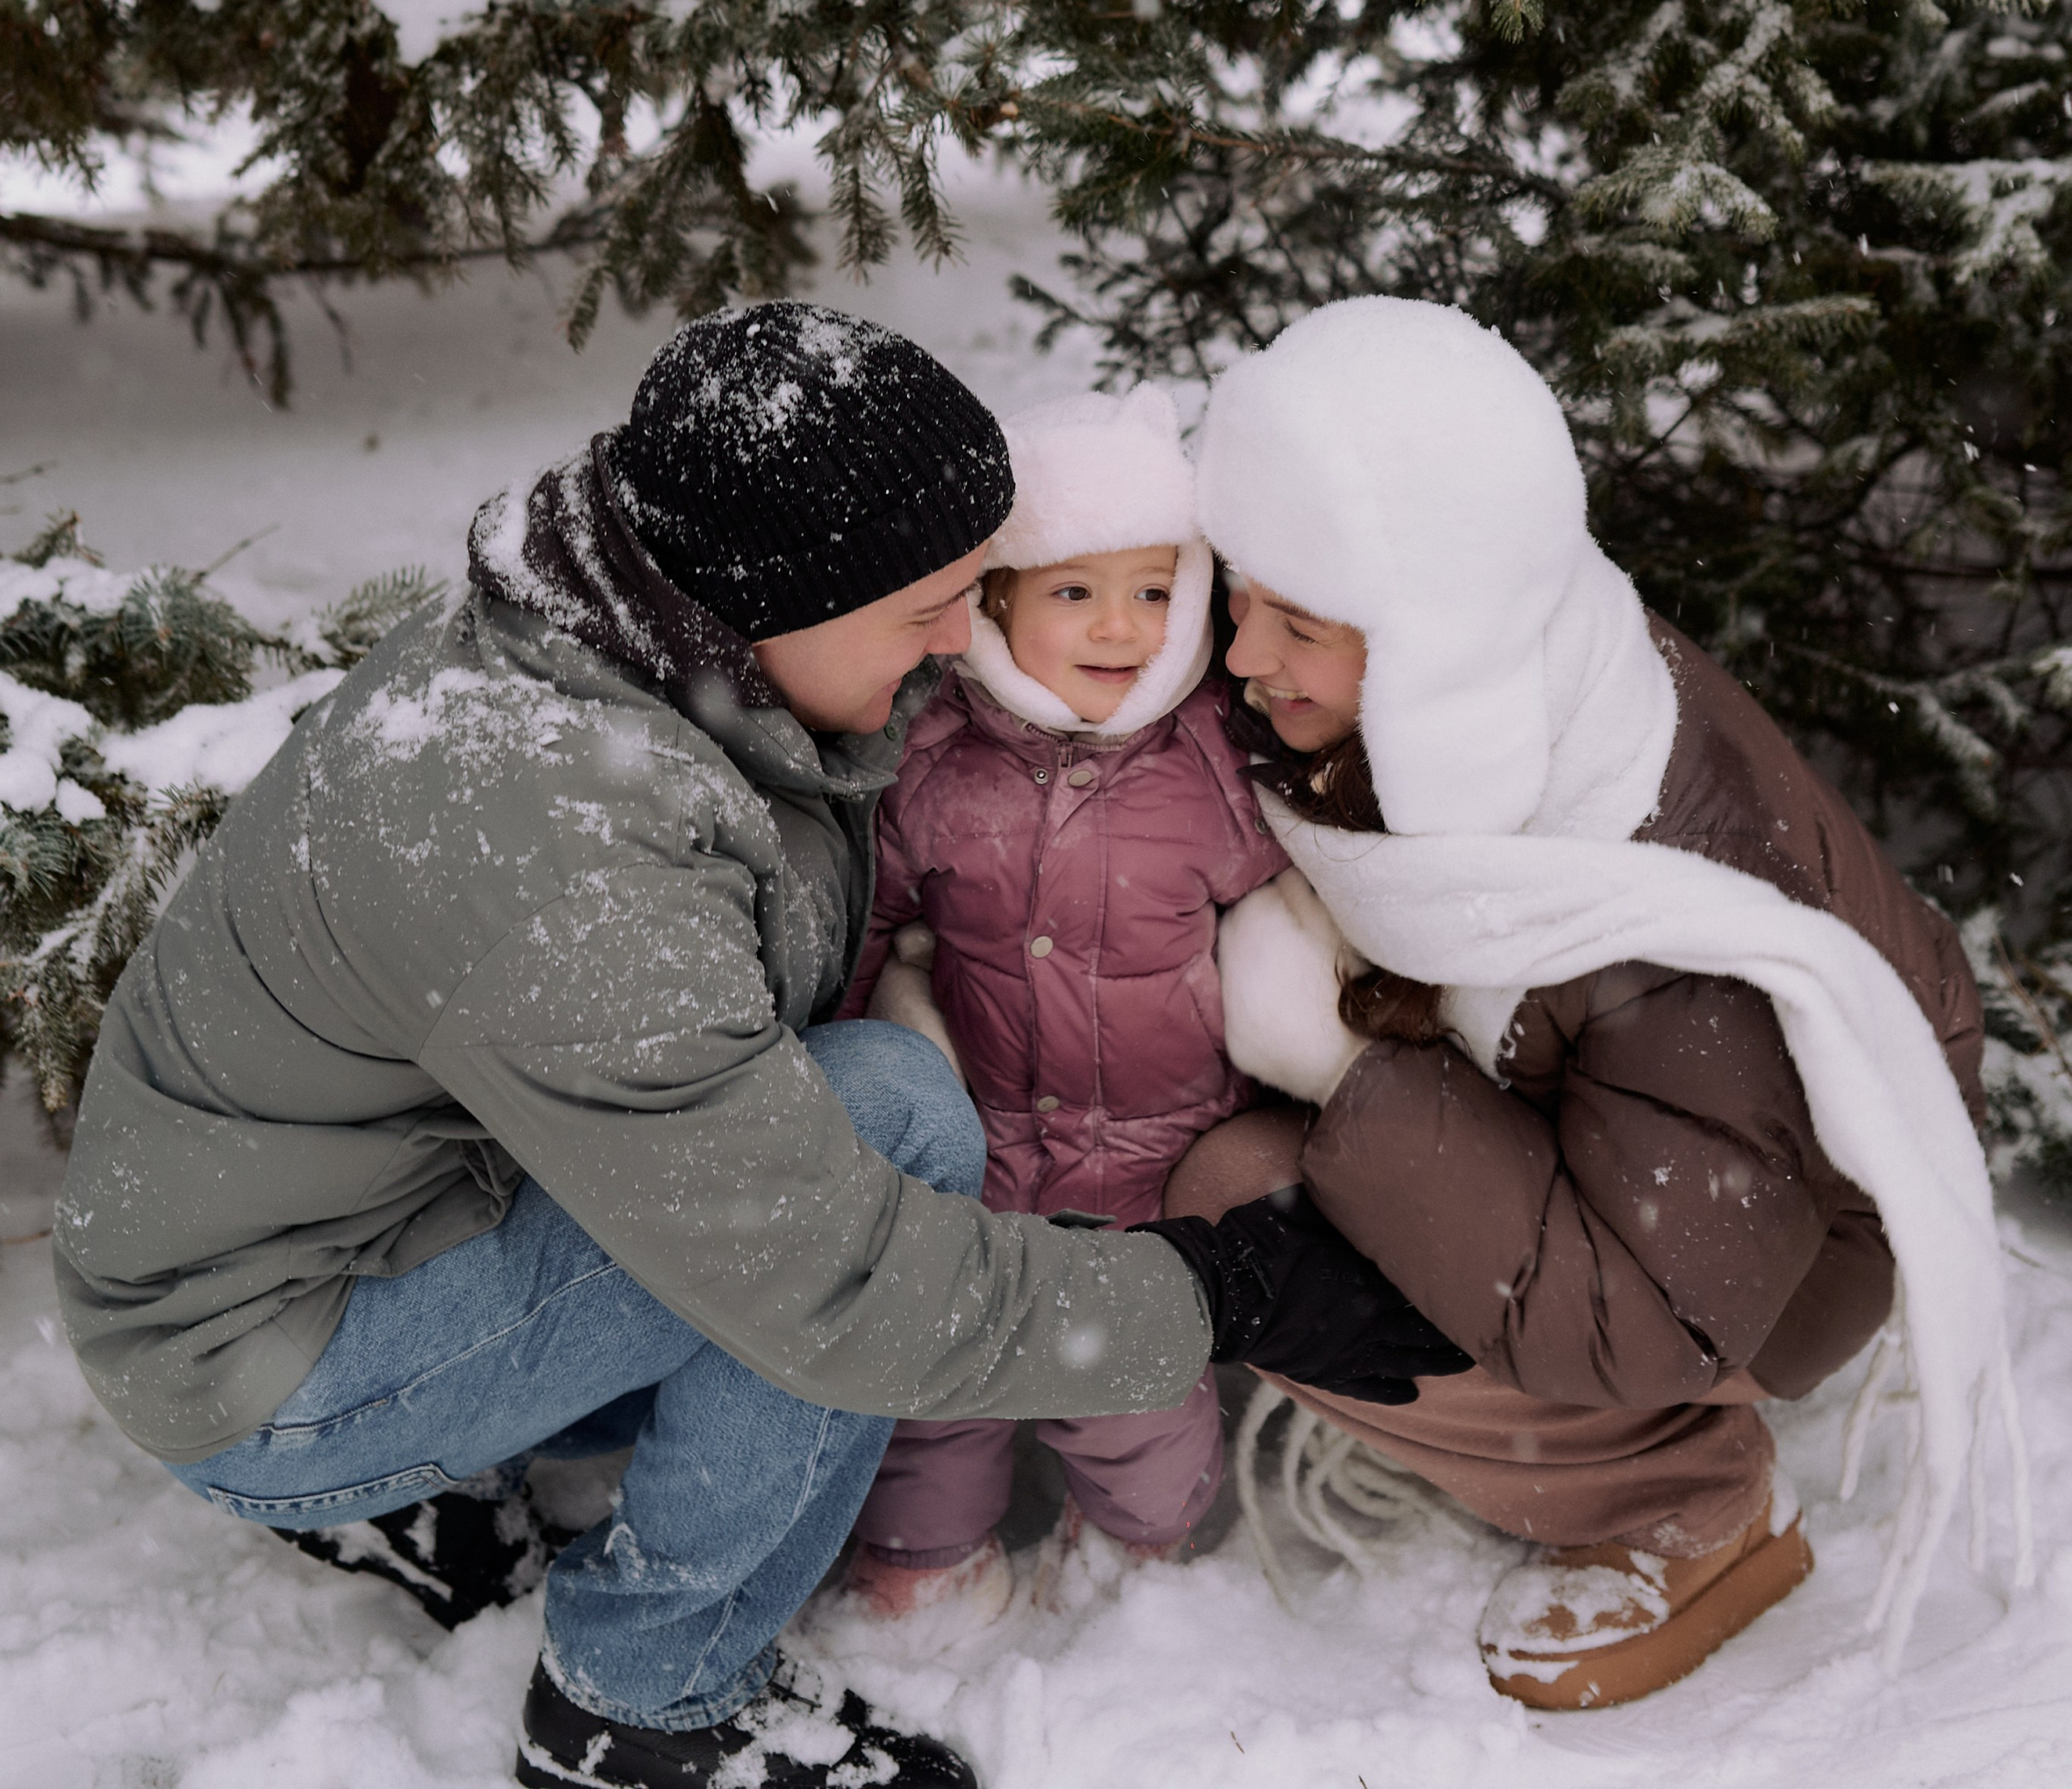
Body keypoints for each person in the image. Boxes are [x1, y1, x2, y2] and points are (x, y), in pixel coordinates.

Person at [52, 304, 1465, 1789]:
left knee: (841, 1152)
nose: (960, 639)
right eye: (927, 605)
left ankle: (437, 1477)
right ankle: (641, 1703)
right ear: (773, 600)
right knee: (889, 1132)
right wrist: (1219, 1292)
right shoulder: (567, 853)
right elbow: (829, 1281)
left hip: (337, 1230)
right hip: (265, 1349)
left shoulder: (611, 634)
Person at [1170, 295, 2014, 1714]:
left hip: (1756, 1266)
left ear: (1427, 641)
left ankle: (1694, 1502)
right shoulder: (1477, 666)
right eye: (1237, 592)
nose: (1243, 656)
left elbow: (1650, 1314)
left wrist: (1343, 1069)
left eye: (1298, 623)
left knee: (1245, 1206)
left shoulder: (1676, 922)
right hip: (1605, 1121)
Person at [830, 387, 1286, 1640]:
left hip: (1155, 1154)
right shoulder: (936, 757)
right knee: (943, 1373)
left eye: (1153, 588)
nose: (1120, 627)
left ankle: (1143, 1541)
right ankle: (928, 1560)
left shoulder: (1214, 764)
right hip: (975, 1147)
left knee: (1131, 1375)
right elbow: (874, 921)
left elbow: (1297, 915)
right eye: (1075, 593)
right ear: (997, 604)